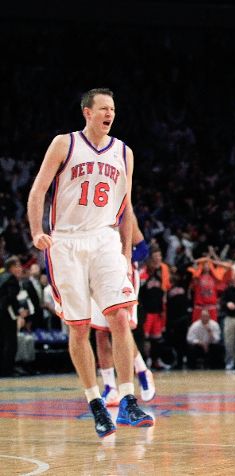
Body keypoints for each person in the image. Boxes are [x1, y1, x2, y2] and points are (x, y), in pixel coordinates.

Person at [27, 88, 153, 437]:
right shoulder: (64, 144)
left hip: (104, 238)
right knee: (80, 327)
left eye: (112, 108)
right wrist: (37, 231)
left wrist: (126, 253)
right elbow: (38, 190)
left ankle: (128, 401)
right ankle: (96, 402)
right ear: (87, 112)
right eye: (102, 108)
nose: (109, 113)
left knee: (120, 317)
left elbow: (125, 207)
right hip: (66, 241)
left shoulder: (124, 152)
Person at [91, 217, 156, 406]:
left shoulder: (122, 212)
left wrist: (121, 259)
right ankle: (110, 388)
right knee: (100, 333)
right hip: (98, 274)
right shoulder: (90, 214)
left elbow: (143, 249)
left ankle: (142, 371)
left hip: (122, 273)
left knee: (121, 328)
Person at [0, 257, 29, 376]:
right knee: (11, 343)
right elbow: (11, 298)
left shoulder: (2, 277)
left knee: (2, 342)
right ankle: (8, 370)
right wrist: (19, 313)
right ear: (11, 267)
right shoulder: (12, 279)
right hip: (6, 315)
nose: (20, 269)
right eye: (17, 266)